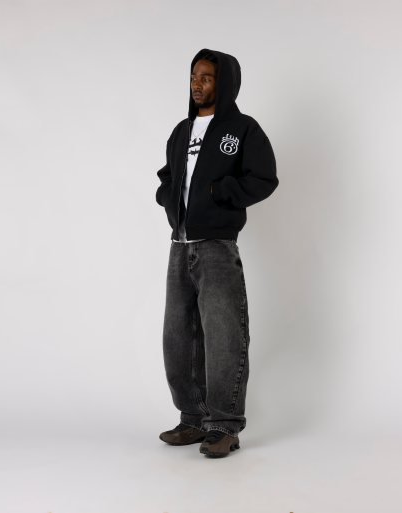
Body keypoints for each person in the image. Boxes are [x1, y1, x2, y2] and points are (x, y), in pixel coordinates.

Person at [155, 48, 278, 457]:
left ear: (223, 83)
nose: (197, 84)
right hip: (179, 246)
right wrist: (167, 196)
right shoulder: (181, 131)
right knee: (178, 339)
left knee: (224, 337)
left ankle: (224, 426)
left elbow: (263, 178)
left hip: (217, 247)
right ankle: (193, 419)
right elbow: (168, 176)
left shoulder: (242, 129)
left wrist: (220, 192)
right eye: (194, 77)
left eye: (206, 78)